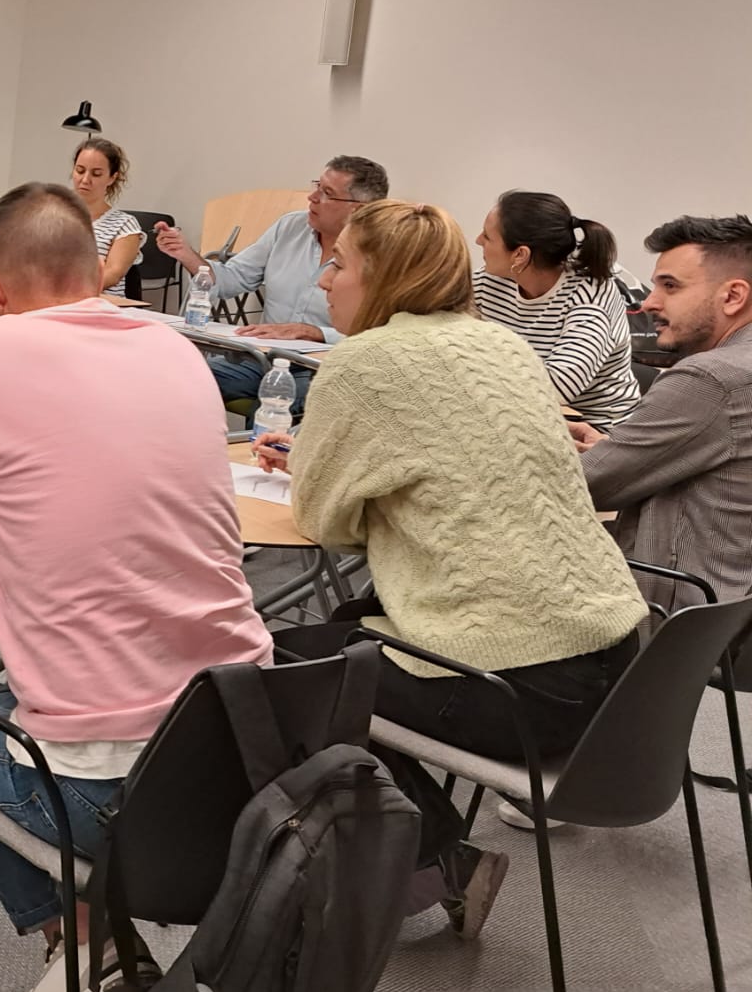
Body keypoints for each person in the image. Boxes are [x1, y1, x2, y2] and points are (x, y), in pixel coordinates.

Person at [0, 183, 272, 992]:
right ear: (96, 269)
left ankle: (87, 947)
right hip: (244, 752)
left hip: (105, 789)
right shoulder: (175, 349)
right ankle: (95, 946)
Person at [260, 200, 646, 941]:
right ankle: (412, 850)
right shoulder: (501, 347)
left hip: (521, 685)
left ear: (384, 280)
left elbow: (327, 524)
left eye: (339, 263)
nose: (323, 277)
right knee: (344, 629)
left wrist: (331, 470)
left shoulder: (362, 364)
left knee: (280, 668)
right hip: (618, 664)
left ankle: (435, 864)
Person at [573, 215, 752, 616]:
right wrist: (621, 450)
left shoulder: (710, 379)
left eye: (670, 286)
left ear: (733, 296)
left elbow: (587, 484)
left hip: (662, 618)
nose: (649, 302)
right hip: (725, 617)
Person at [153, 155, 389, 413]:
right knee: (176, 377)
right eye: (316, 186)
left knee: (273, 408)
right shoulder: (290, 226)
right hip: (262, 359)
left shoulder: (383, 252)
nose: (312, 197)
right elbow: (233, 279)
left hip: (324, 370)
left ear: (358, 208)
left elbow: (385, 332)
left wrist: (317, 332)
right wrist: (186, 253)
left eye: (327, 193)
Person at [473, 191, 640, 431]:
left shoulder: (590, 295)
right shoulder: (489, 282)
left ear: (520, 255)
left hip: (598, 431)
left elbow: (557, 387)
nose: (478, 240)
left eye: (488, 237)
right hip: (530, 418)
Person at [68, 137, 143, 298]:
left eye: (96, 174)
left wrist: (67, 292)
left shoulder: (124, 224)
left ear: (112, 178)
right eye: (80, 170)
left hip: (99, 307)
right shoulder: (52, 216)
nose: (85, 180)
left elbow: (112, 274)